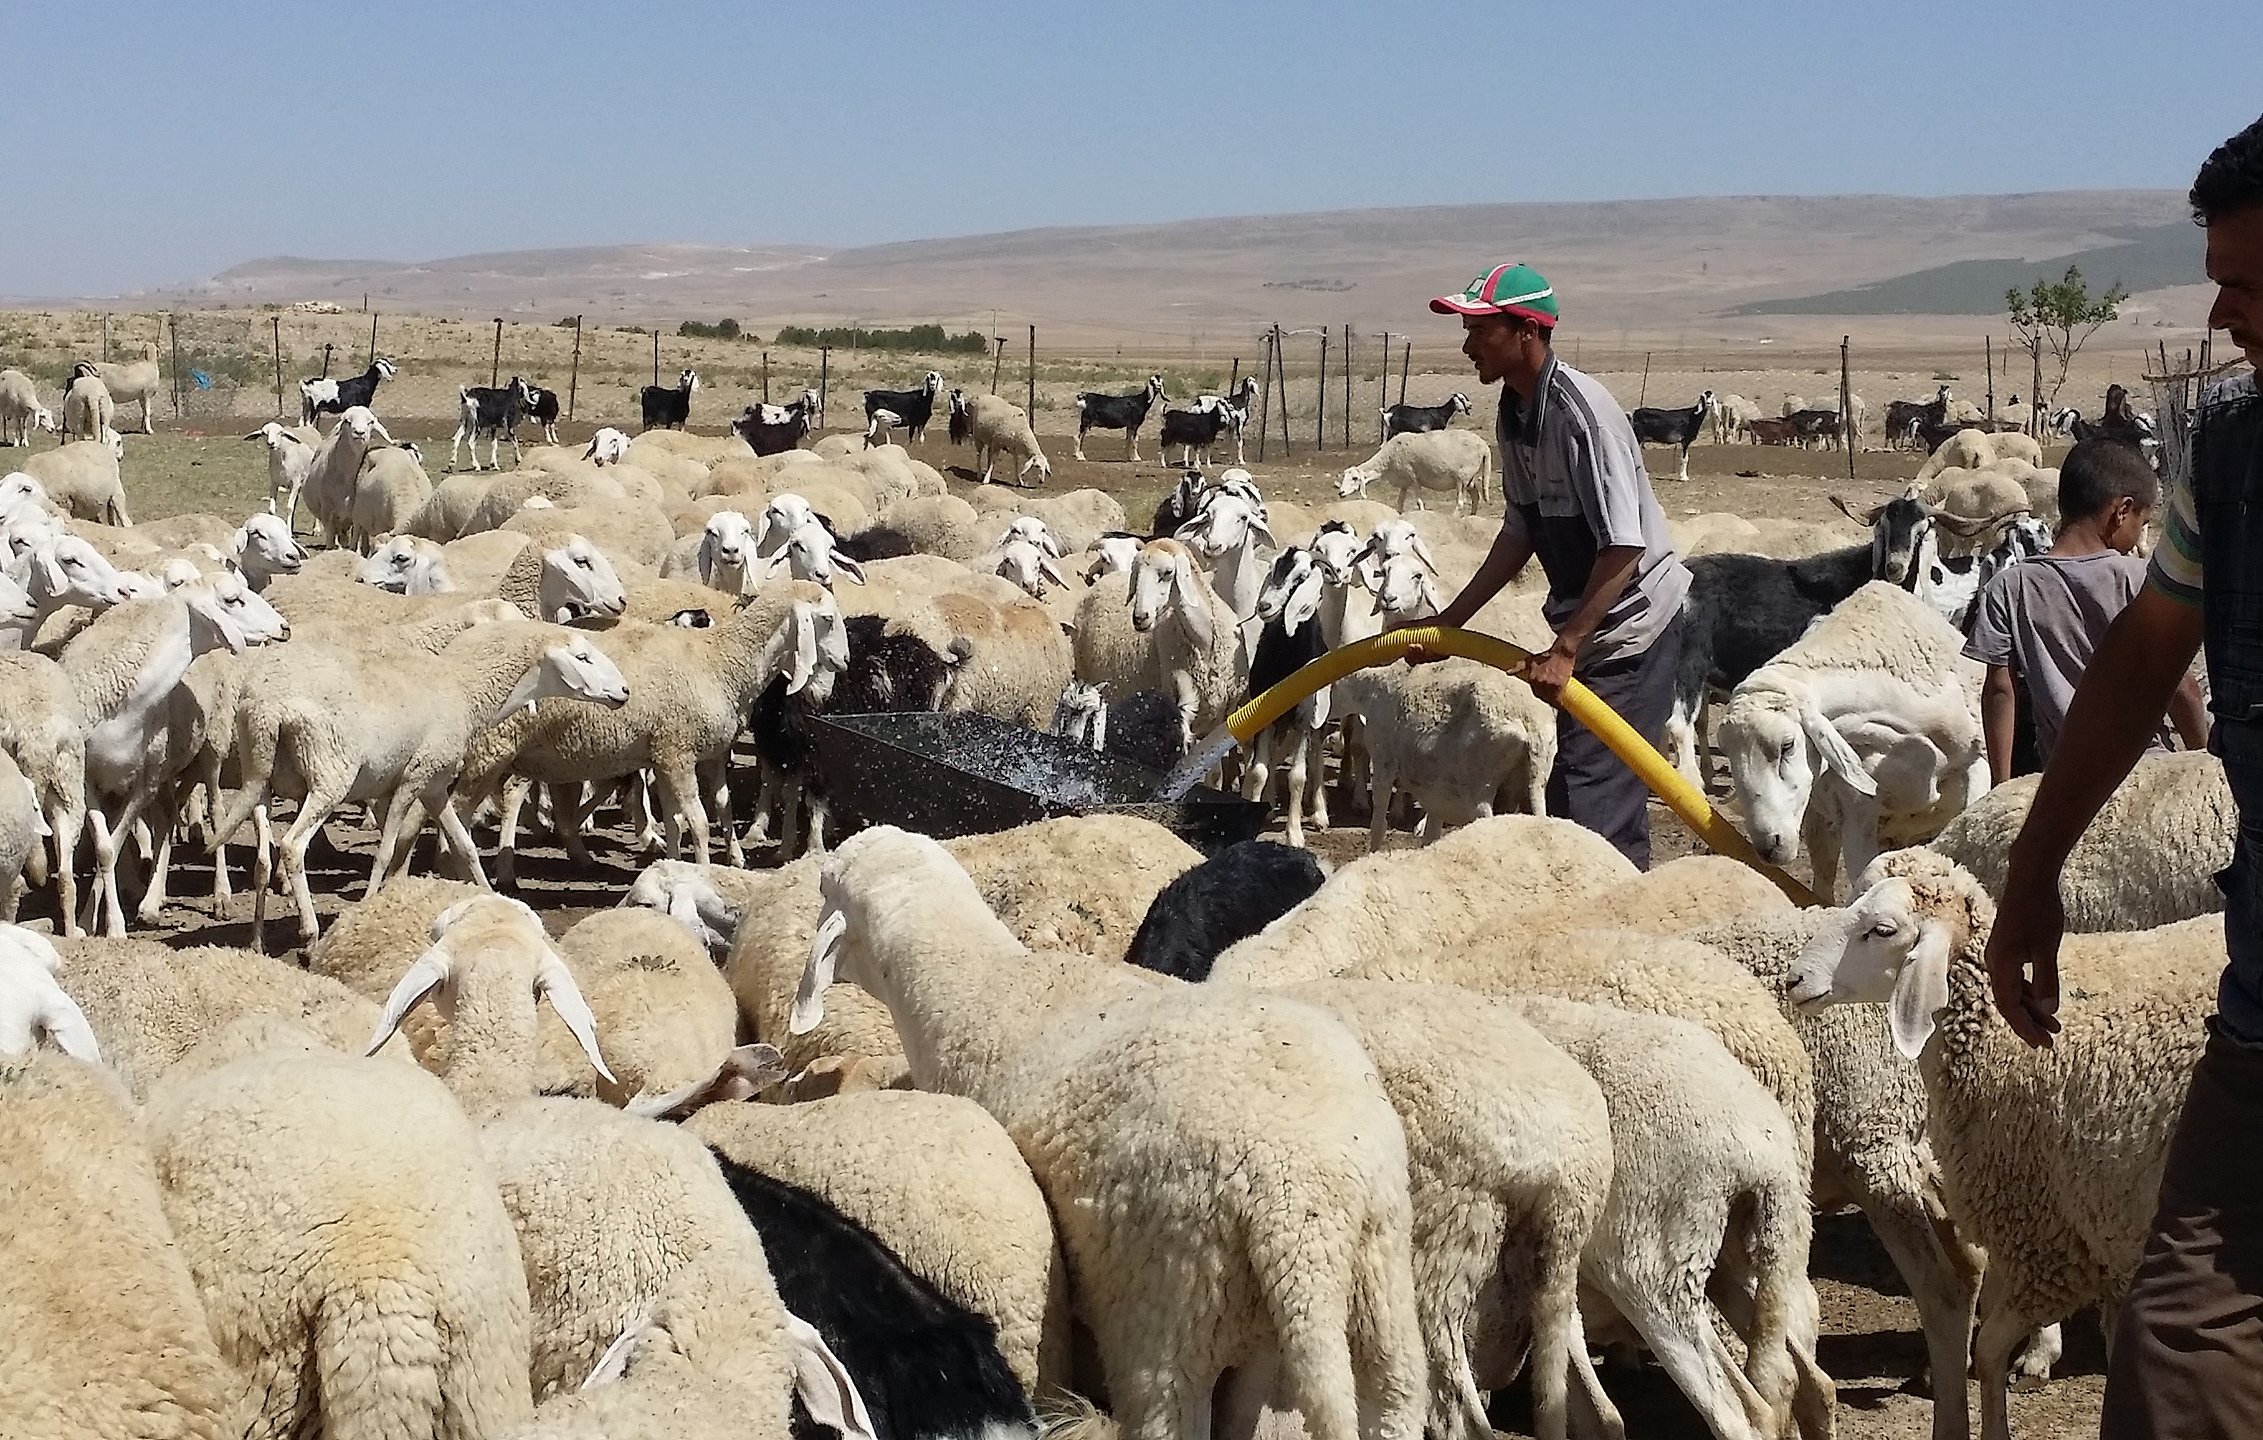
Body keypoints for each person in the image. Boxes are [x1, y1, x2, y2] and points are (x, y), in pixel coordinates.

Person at [1986, 113, 2263, 1439]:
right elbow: (2142, 658)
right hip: (2260, 1013)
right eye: (2215, 275)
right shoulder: (2220, 457)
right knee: (2172, 1351)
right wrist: (2031, 872)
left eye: (2251, 281)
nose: (2221, 311)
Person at [1405, 263, 1690, 868]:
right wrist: (1449, 626)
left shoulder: (1583, 415)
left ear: (1526, 331)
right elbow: (1521, 532)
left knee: (1595, 809)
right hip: (1591, 628)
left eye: (1480, 329)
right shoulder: (1514, 410)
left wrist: (1566, 647)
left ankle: (1619, 934)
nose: (1466, 344)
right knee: (1576, 795)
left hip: (1633, 628)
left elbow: (1624, 544)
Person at [1962, 437, 2207, 784]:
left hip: (2063, 779)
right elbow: (2182, 688)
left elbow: (2000, 690)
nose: (2139, 533)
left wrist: (2002, 786)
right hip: (2145, 775)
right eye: (2142, 520)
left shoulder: (2009, 586)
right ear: (2121, 512)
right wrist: (2208, 763)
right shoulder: (2141, 580)